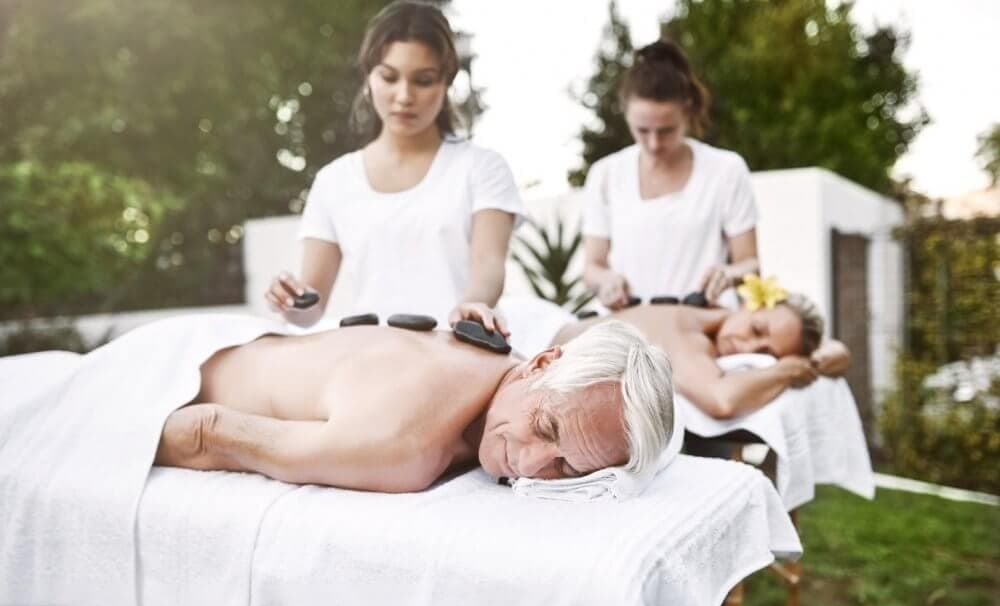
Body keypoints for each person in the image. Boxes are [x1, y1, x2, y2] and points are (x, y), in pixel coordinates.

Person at [156, 320, 674, 493]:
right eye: (546, 427)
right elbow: (206, 431)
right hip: (167, 373)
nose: (533, 466)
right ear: (540, 364)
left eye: (567, 468)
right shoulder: (403, 446)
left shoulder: (501, 357)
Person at [267, 1, 523, 335]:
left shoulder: (482, 168)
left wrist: (473, 306)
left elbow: (488, 266)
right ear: (368, 76)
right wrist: (290, 301)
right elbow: (311, 310)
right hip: (371, 357)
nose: (404, 96)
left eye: (424, 80)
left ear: (446, 83)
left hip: (459, 352)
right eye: (389, 77)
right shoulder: (334, 181)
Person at [581, 39, 759, 310]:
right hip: (630, 329)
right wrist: (606, 281)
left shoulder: (726, 170)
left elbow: (750, 264)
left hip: (705, 326)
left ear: (687, 112)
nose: (654, 144)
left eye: (666, 130)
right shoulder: (605, 175)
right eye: (642, 130)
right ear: (626, 113)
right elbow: (593, 266)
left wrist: (729, 274)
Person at [549, 294, 850, 419]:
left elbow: (838, 353)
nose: (747, 347)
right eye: (757, 329)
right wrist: (786, 370)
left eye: (764, 354)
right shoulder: (684, 331)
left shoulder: (713, 324)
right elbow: (722, 400)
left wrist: (819, 358)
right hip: (538, 337)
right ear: (748, 304)